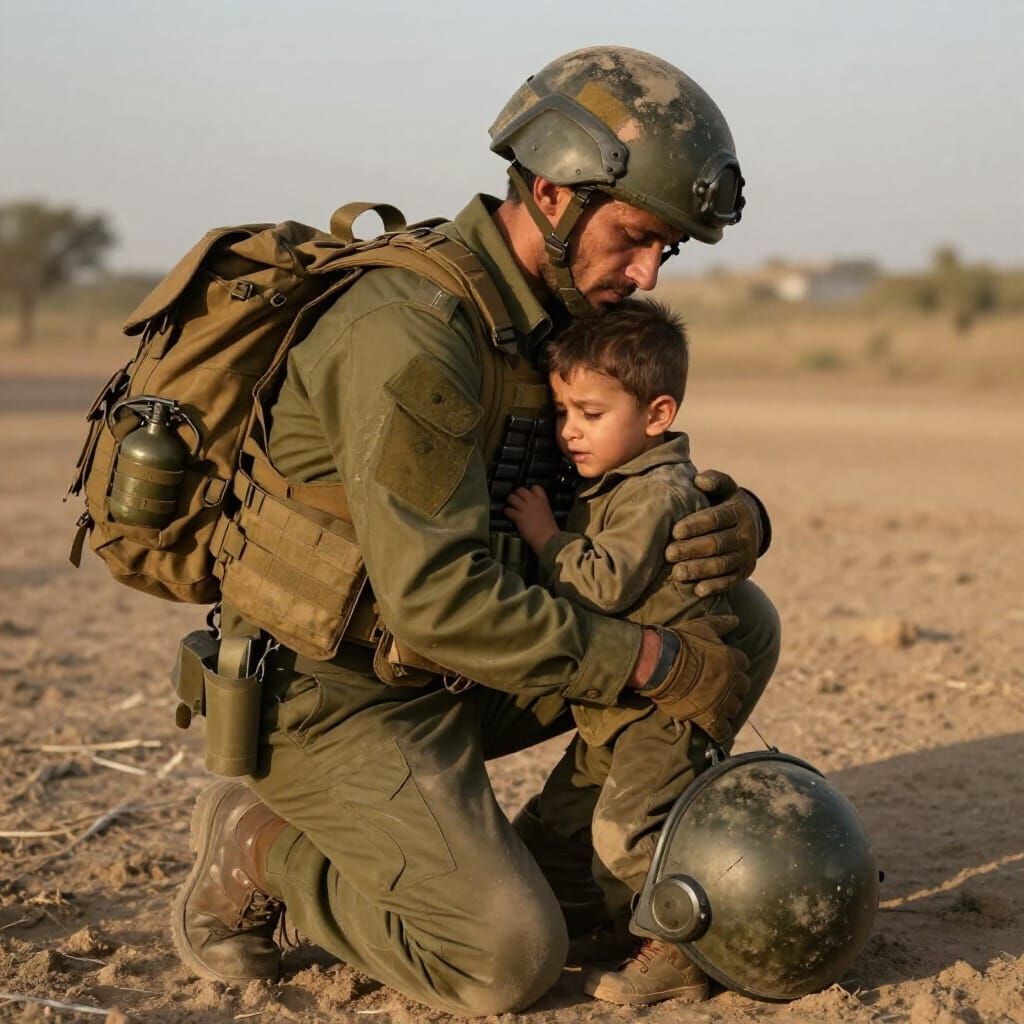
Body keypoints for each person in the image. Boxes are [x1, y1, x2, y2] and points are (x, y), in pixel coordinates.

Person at [171, 46, 780, 1016]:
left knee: (729, 618)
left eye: (668, 249)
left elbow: (606, 482)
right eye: (634, 236)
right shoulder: (413, 333)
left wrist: (730, 514)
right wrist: (649, 664)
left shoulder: (549, 312)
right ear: (551, 193)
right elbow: (441, 595)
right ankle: (261, 845)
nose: (648, 269)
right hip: (336, 691)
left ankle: (563, 863)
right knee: (504, 962)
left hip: (456, 659)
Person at [505, 298, 758, 1005]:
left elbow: (604, 583)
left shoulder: (655, 492)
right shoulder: (623, 477)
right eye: (562, 413)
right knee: (561, 817)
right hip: (620, 702)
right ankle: (627, 924)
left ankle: (677, 949)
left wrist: (544, 537)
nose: (569, 432)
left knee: (625, 831)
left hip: (667, 701)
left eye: (589, 414)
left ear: (656, 415)